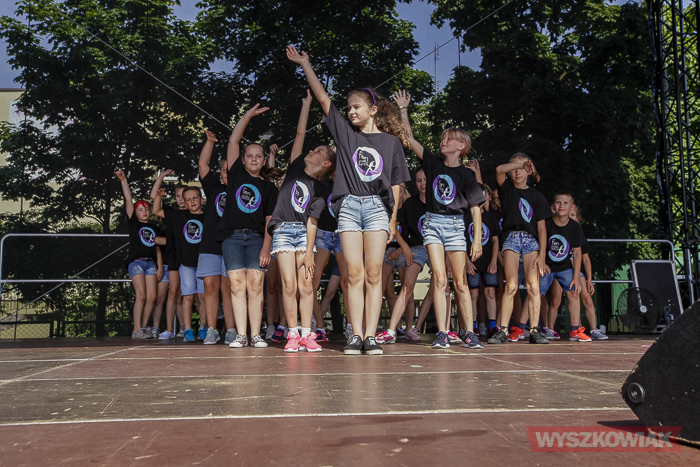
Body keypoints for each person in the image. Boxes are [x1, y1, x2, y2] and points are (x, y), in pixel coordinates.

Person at [287, 46, 411, 356]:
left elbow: (396, 184)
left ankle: (371, 336)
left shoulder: (390, 143)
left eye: (357, 107)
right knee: (353, 273)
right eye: (349, 108)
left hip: (378, 209)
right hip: (350, 208)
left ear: (373, 109)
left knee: (373, 273)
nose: (351, 111)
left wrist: (392, 220)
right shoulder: (346, 136)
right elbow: (323, 99)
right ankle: (356, 335)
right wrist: (306, 64)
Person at [393, 89, 485, 350]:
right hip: (433, 224)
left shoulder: (466, 175)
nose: (444, 141)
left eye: (449, 138)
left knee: (461, 283)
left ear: (461, 146)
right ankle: (443, 333)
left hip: (456, 227)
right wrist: (403, 109)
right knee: (440, 279)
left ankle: (469, 332)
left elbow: (476, 209)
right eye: (443, 137)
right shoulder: (433, 164)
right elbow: (409, 138)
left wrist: (476, 240)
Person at [267, 92, 336, 353]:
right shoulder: (295, 167)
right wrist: (306, 105)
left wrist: (309, 252)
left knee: (306, 285)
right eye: (312, 148)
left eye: (318, 151)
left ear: (326, 163)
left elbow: (313, 221)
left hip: (305, 235)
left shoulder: (322, 189)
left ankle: (308, 334)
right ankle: (293, 334)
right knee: (289, 284)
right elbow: (299, 134)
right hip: (283, 230)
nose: (311, 151)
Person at [216, 104, 278, 349]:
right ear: (242, 160)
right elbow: (233, 140)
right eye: (249, 155)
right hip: (231, 238)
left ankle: (256, 334)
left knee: (255, 285)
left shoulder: (269, 187)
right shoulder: (236, 176)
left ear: (264, 160)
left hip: (256, 240)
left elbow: (270, 220)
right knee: (237, 285)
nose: (254, 159)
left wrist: (266, 247)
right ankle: (241, 335)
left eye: (258, 156)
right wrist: (248, 116)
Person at [488, 153, 552, 345]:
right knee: (511, 285)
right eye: (514, 169)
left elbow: (542, 228)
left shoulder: (537, 196)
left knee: (533, 286)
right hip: (511, 238)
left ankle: (534, 331)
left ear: (529, 172)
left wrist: (542, 254)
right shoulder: (507, 190)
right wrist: (520, 163)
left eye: (522, 169)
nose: (517, 172)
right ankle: (503, 330)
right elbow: (499, 170)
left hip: (531, 241)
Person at [376, 169, 429, 344]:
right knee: (394, 288)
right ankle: (388, 329)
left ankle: (411, 328)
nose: (422, 184)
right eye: (418, 180)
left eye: (425, 180)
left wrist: (402, 249)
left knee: (440, 286)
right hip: (404, 250)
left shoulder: (436, 202)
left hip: (420, 249)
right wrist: (404, 247)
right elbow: (394, 228)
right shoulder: (407, 205)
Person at [197, 130, 237, 345]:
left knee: (228, 289)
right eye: (223, 169)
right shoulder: (214, 188)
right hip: (210, 245)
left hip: (233, 244)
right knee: (210, 287)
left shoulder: (243, 190)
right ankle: (211, 330)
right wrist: (210, 142)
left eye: (230, 168)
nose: (227, 172)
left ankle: (231, 330)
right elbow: (203, 165)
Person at [545, 205, 608, 340]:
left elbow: (586, 259)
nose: (570, 218)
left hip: (577, 273)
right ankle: (550, 330)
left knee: (586, 299)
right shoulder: (557, 233)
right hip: (561, 269)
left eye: (573, 215)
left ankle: (593, 329)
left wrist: (589, 279)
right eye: (568, 215)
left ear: (577, 219)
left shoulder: (578, 234)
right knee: (556, 300)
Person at [153, 185, 206, 342]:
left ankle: (204, 327)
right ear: (185, 202)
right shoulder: (178, 216)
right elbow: (156, 210)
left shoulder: (209, 216)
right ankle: (187, 330)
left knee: (202, 296)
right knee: (187, 296)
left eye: (195, 198)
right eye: (188, 200)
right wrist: (159, 196)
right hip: (186, 264)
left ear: (202, 200)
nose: (192, 202)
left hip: (204, 262)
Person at [115, 170, 163, 339]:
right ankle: (136, 329)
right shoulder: (134, 224)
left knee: (152, 296)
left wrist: (159, 266)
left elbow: (157, 247)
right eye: (140, 209)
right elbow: (129, 200)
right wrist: (123, 180)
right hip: (136, 262)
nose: (144, 212)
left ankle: (143, 327)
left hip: (150, 263)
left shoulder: (154, 227)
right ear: (135, 213)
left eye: (146, 209)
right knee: (141, 295)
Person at [465, 183, 501, 339]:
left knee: (490, 292)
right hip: (471, 261)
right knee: (473, 293)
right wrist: (466, 262)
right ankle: (473, 327)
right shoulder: (465, 216)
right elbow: (460, 241)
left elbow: (495, 241)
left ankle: (492, 327)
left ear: (487, 197)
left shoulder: (490, 217)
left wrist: (494, 261)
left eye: (484, 195)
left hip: (488, 262)